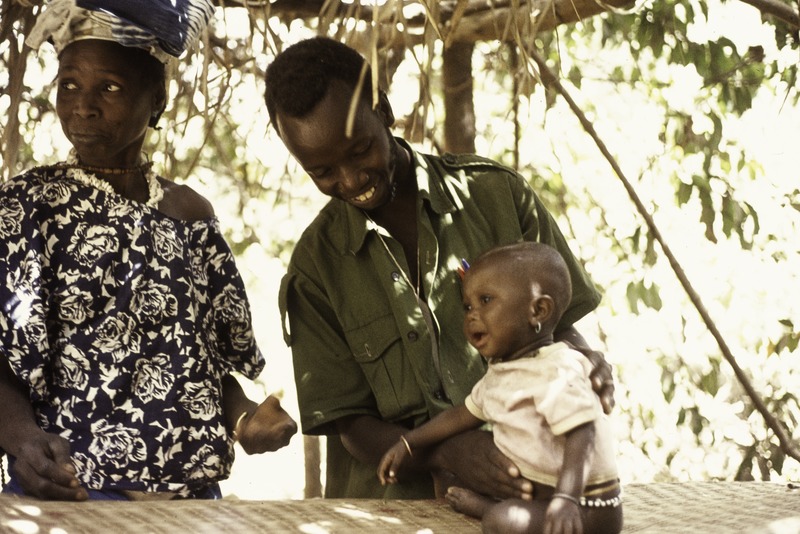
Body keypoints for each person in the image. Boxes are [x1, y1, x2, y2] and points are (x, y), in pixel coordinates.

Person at [267, 36, 614, 500]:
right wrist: (447, 453)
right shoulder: (316, 265)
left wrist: (588, 361)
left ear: (383, 110)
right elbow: (347, 421)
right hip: (389, 511)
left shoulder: (496, 197)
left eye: (359, 152)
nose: (349, 181)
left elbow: (557, 328)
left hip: (527, 495)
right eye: (322, 173)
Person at [0, 0, 296, 501]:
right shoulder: (27, 207)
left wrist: (246, 415)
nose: (83, 105)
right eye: (68, 84)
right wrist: (22, 439)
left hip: (191, 501)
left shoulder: (191, 215)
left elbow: (198, 360)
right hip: (70, 491)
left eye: (109, 87)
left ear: (157, 100)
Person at [378, 242, 622, 534]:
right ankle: (494, 506)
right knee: (503, 509)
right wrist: (410, 442)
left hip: (586, 507)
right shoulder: (502, 373)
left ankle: (488, 510)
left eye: (486, 300)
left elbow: (584, 433)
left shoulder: (557, 370)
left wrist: (567, 498)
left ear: (538, 310)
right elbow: (461, 416)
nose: (471, 315)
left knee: (500, 521)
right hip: (542, 499)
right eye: (468, 305)